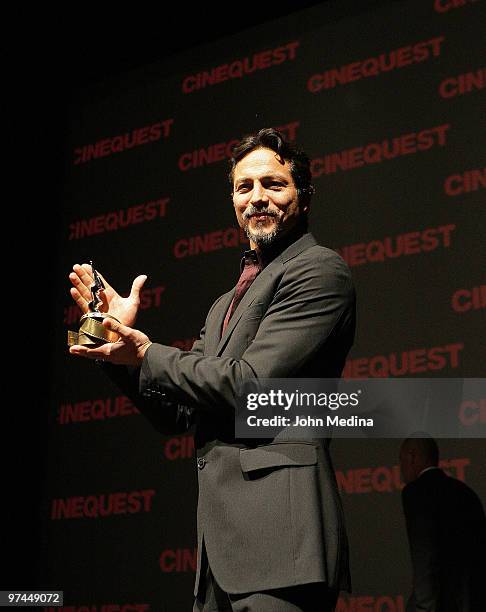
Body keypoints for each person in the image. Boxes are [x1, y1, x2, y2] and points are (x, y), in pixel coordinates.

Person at [69, 128, 356, 611]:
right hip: (220, 556)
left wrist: (146, 353)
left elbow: (249, 384)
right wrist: (115, 349)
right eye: (244, 188)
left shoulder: (319, 270)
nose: (257, 198)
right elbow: (176, 415)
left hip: (281, 544)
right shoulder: (226, 301)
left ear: (304, 197)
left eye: (274, 184)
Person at [399, 436, 486, 612]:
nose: (400, 469)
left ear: (412, 457)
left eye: (401, 461)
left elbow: (424, 556)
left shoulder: (416, 493)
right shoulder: (467, 493)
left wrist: (424, 608)